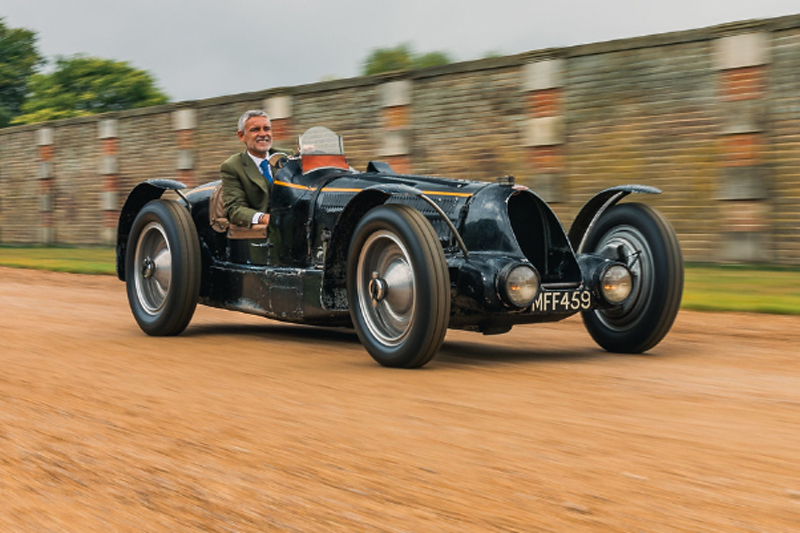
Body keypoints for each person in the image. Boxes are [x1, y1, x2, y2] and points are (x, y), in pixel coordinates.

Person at [221, 109, 284, 227]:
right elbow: (234, 209)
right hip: (263, 235)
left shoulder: (286, 156)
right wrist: (263, 218)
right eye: (255, 130)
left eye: (267, 129)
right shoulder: (232, 166)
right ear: (241, 136)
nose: (263, 134)